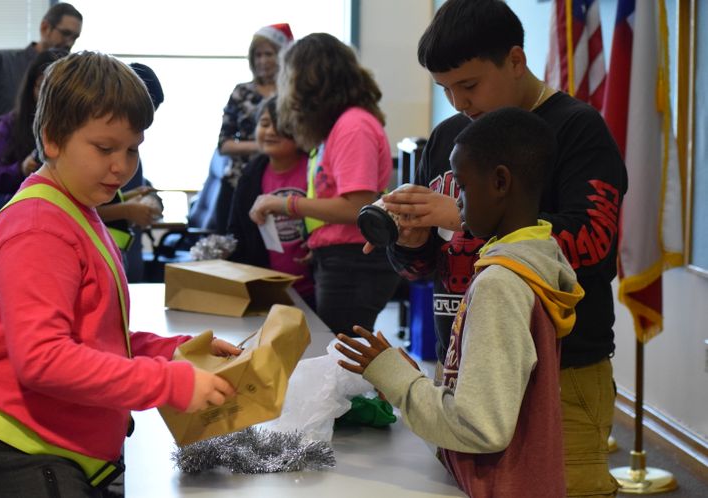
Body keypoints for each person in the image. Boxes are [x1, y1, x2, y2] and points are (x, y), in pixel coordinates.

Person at [0, 51, 240, 496]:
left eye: (132, 149)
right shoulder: (39, 229)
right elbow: (43, 359)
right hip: (18, 458)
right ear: (52, 140)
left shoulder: (77, 209)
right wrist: (167, 383)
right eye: (105, 148)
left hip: (59, 456)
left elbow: (94, 336)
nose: (122, 166)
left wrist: (173, 352)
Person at [379, 1, 627, 495]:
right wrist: (412, 240)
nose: (457, 103)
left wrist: (459, 217)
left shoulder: (577, 128)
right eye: (444, 89)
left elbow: (595, 245)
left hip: (561, 374)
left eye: (468, 86)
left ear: (516, 60)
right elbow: (430, 268)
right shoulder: (453, 135)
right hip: (462, 366)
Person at [337, 107, 584, 497]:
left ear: (501, 182)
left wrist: (399, 383)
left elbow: (479, 426)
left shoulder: (500, 284)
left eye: (463, 187)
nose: (458, 203)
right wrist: (411, 376)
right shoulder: (535, 257)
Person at [249, 33, 401, 336]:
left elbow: (356, 205)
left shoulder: (352, 126)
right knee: (339, 354)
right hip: (341, 258)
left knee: (341, 358)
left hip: (354, 262)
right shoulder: (338, 127)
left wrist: (284, 204)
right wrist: (318, 239)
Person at [0, 2, 83, 355]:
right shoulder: (0, 62)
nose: (69, 42)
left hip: (31, 198)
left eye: (75, 38)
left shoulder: (64, 80)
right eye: (65, 34)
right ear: (44, 27)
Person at [206, 23, 295, 233]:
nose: (263, 61)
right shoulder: (241, 92)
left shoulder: (294, 93)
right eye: (258, 55)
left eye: (269, 54)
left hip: (283, 183)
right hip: (240, 181)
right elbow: (224, 144)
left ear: (282, 56)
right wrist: (264, 146)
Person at [227, 96, 314, 306]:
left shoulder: (312, 167)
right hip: (269, 287)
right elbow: (237, 230)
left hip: (313, 285)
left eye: (280, 124)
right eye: (264, 123)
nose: (270, 131)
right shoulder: (251, 174)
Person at [97, 62, 167, 282]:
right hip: (102, 249)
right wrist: (127, 209)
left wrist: (135, 196)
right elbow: (84, 207)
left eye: (132, 149)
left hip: (122, 249)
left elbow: (110, 196)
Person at [0, 49, 69, 194]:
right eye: (42, 88)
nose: (49, 97)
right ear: (31, 88)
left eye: (58, 89)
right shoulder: (9, 125)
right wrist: (21, 168)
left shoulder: (77, 124)